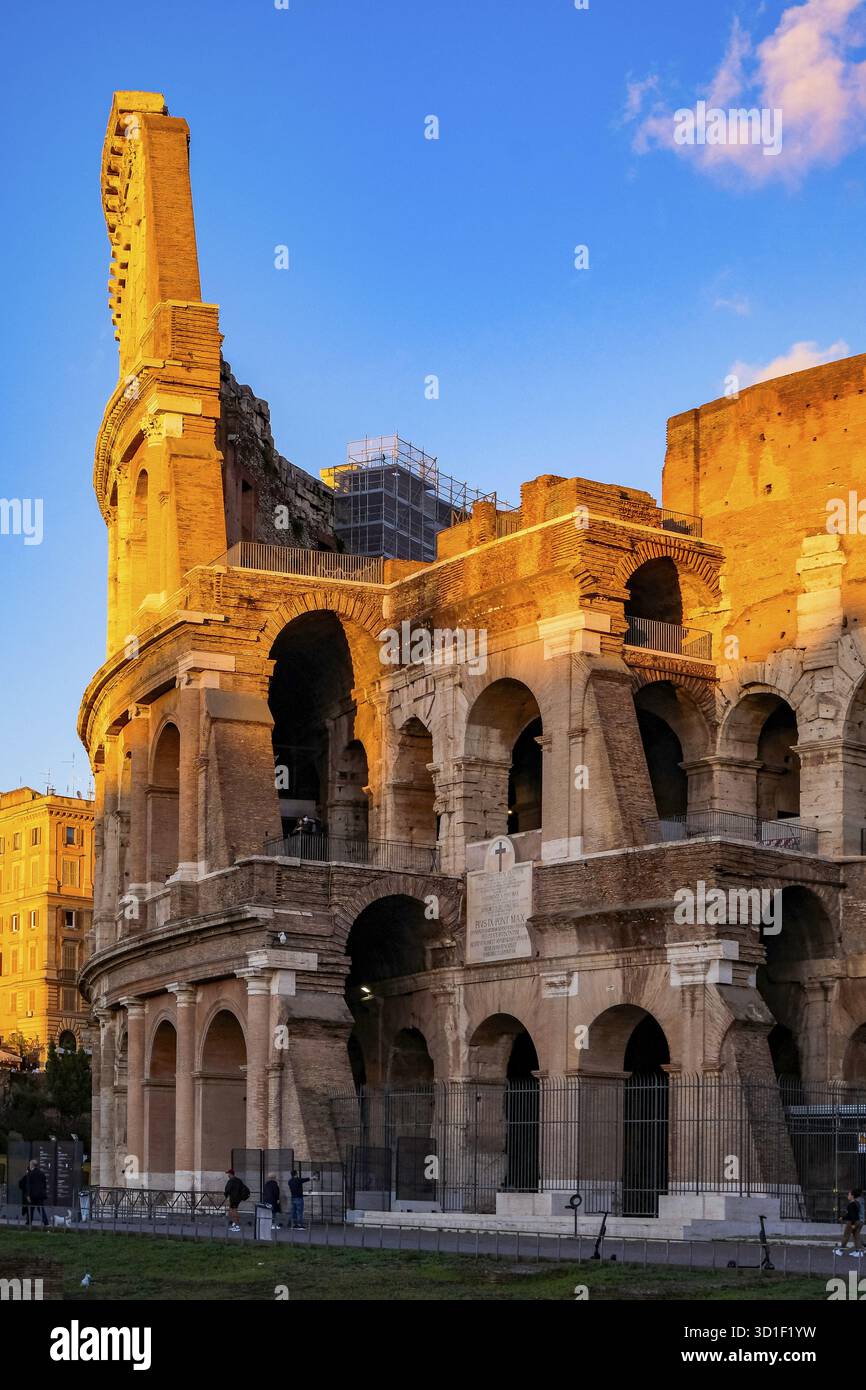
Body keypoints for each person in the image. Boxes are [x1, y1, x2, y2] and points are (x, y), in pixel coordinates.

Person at [834, 1188, 864, 1256]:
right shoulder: (857, 1203)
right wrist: (843, 1217)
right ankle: (859, 1251)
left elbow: (852, 1215)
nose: (848, 1196)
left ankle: (840, 1250)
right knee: (856, 1236)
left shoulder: (851, 1204)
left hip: (851, 1222)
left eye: (849, 1194)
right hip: (857, 1221)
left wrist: (852, 1223)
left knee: (846, 1235)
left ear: (852, 1196)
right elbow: (853, 1214)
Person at [19, 1159, 49, 1228]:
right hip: (40, 1196)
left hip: (32, 1196)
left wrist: (28, 1195)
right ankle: (46, 1223)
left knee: (30, 1210)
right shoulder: (42, 1173)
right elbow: (44, 1185)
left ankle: (28, 1223)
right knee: (41, 1209)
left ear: (32, 1165)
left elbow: (28, 1185)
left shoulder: (30, 1174)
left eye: (30, 1164)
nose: (29, 1166)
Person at [224, 1169, 250, 1234]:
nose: (228, 1175)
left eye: (228, 1174)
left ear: (231, 1174)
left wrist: (226, 1196)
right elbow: (243, 1188)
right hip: (238, 1199)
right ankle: (235, 1224)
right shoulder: (239, 1180)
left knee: (233, 1211)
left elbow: (227, 1189)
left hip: (233, 1198)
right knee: (232, 1211)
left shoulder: (231, 1181)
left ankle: (237, 1226)